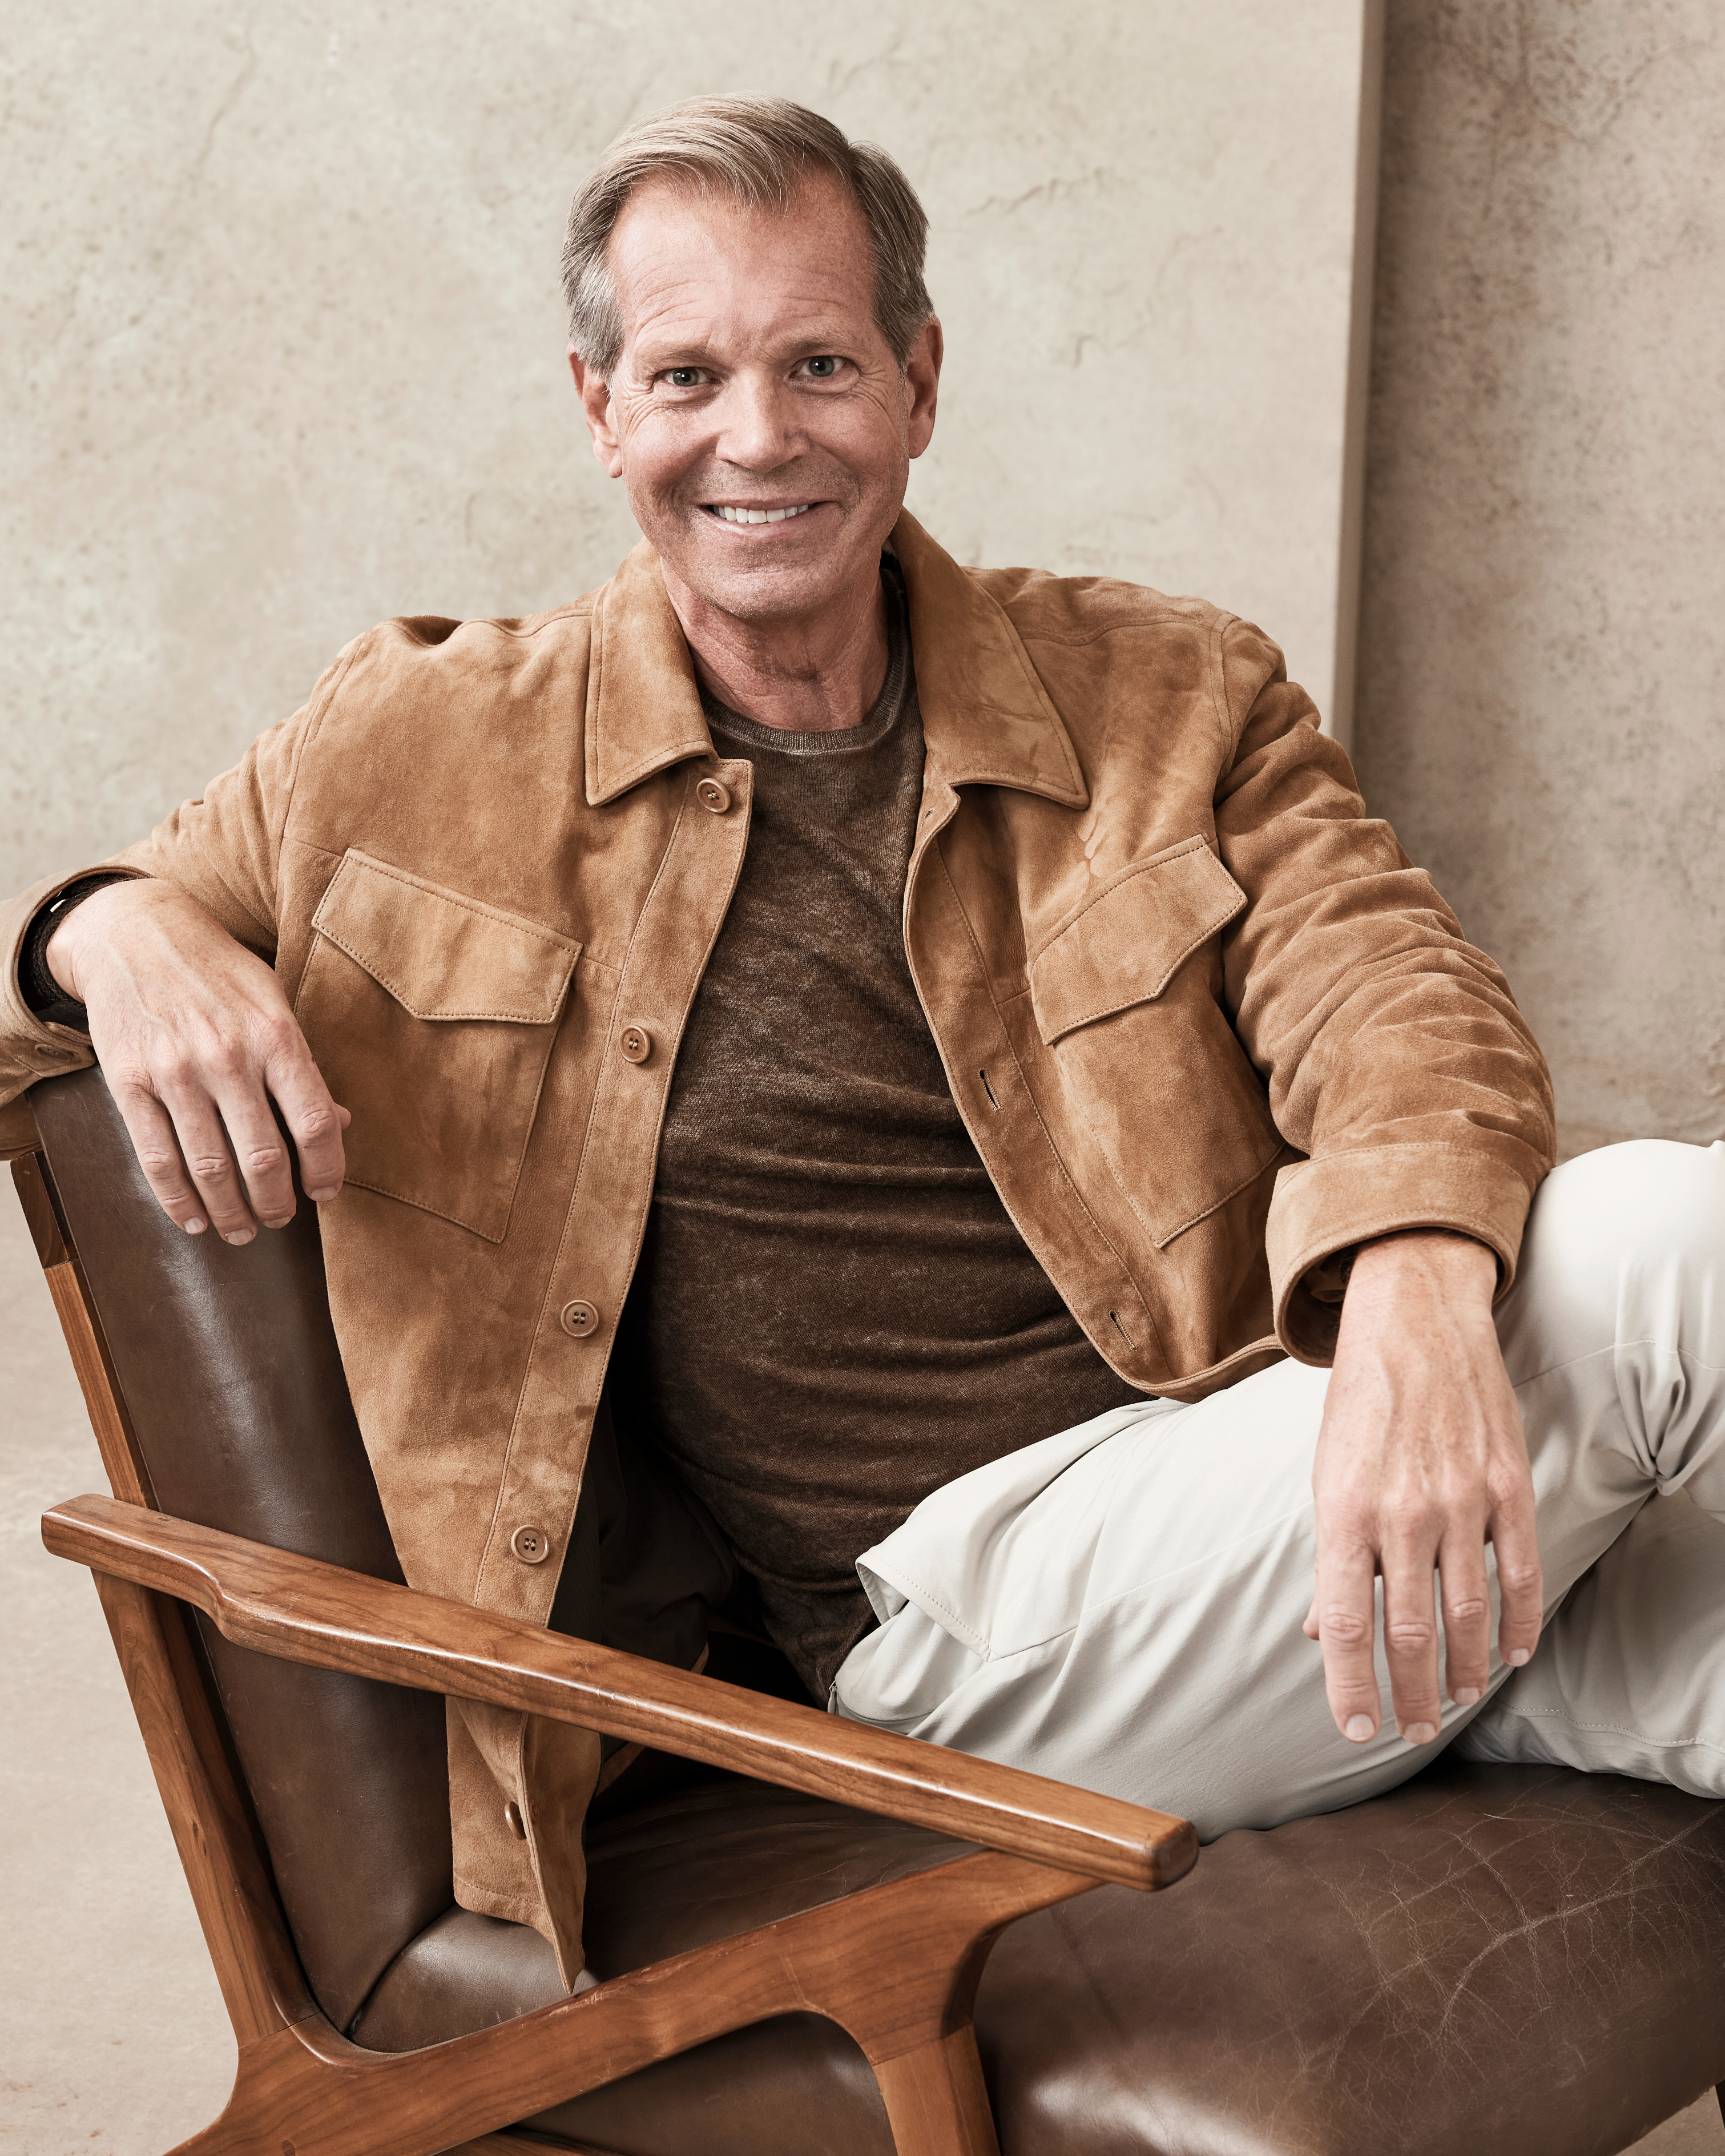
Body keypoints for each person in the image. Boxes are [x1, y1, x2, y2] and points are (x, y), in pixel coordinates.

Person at [2, 96, 1718, 1991]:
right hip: (959, 1647)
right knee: (1668, 1247)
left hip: (1264, 1492)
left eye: (819, 362)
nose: (758, 434)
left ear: (917, 379)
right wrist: (111, 924)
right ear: (598, 410)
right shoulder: (416, 746)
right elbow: (55, 967)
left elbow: (1394, 987)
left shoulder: (1169, 690)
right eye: (686, 373)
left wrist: (1408, 1295)